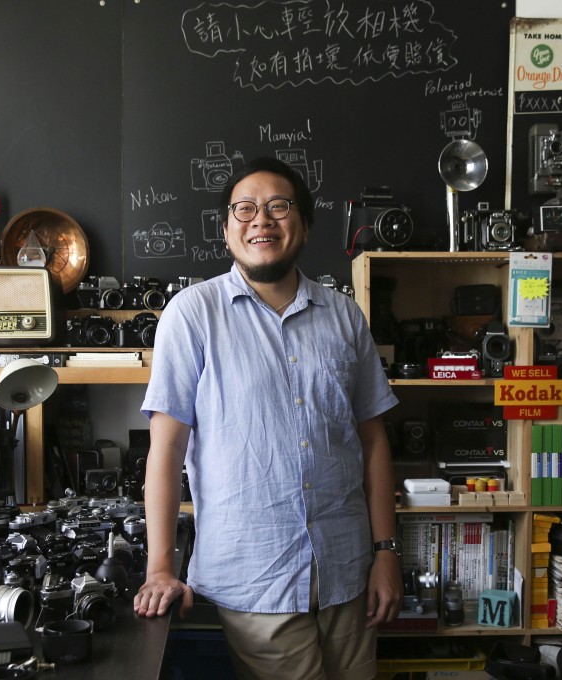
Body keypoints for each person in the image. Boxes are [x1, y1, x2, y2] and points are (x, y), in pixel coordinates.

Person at [133, 156, 402, 680]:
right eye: (245, 209)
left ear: (303, 225)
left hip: (349, 570)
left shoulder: (344, 314)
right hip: (256, 578)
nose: (262, 220)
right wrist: (160, 568)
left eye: (279, 207)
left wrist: (386, 553)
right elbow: (164, 453)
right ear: (227, 228)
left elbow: (372, 442)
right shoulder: (193, 314)